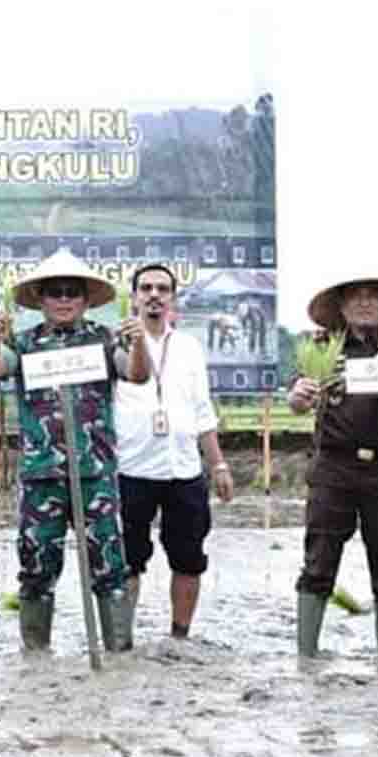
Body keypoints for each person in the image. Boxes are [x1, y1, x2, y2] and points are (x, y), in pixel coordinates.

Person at [0, 249, 149, 653]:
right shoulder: (23, 343)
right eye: (55, 292)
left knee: (109, 564)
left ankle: (118, 652)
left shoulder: (105, 340)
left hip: (96, 473)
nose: (64, 299)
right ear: (40, 298)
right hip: (41, 476)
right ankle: (36, 656)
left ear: (87, 299)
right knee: (36, 567)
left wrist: (139, 342)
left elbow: (137, 374)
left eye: (73, 292)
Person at [287, 274, 378, 657]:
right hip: (334, 469)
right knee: (319, 561)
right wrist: (299, 395)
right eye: (356, 297)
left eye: (373, 297)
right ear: (342, 306)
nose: (365, 303)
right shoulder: (323, 346)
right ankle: (306, 661)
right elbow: (297, 398)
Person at [114, 263, 233, 642]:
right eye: (146, 288)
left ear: (172, 299)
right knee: (127, 561)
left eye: (162, 289)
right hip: (131, 469)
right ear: (134, 297)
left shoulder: (189, 348)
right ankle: (122, 639)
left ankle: (179, 637)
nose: (154, 295)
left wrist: (218, 464)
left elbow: (202, 410)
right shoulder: (113, 343)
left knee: (189, 558)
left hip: (183, 469)